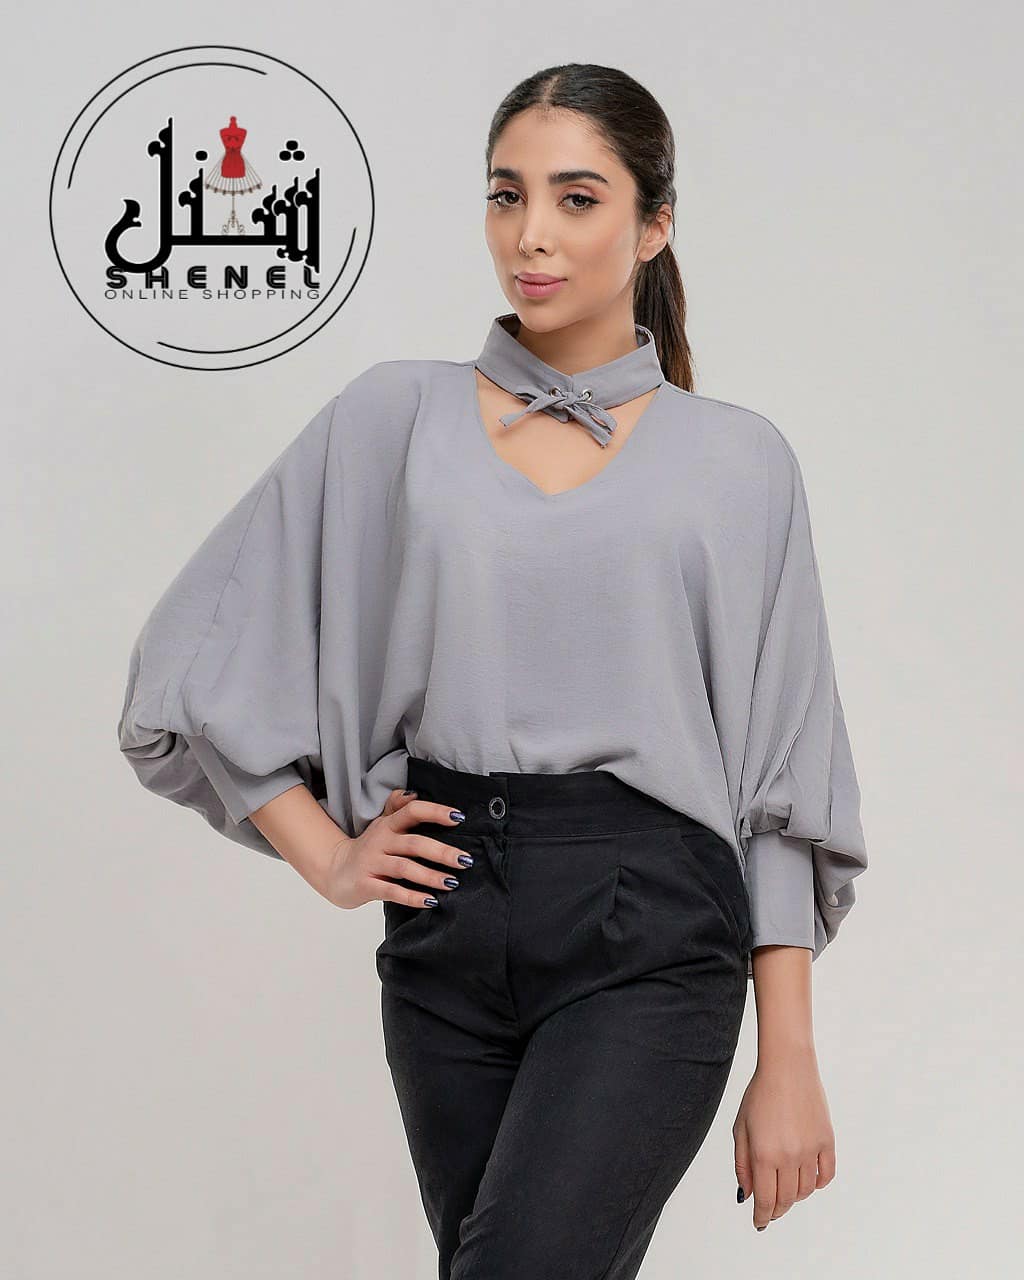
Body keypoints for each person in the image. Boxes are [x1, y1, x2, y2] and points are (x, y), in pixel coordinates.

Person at [117, 63, 868, 1280]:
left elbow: (782, 769)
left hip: (651, 920)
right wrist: (327, 854)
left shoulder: (738, 461)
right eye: (506, 194)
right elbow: (196, 657)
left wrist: (788, 1055)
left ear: (653, 224)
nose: (531, 235)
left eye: (577, 198)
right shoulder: (390, 417)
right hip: (446, 918)